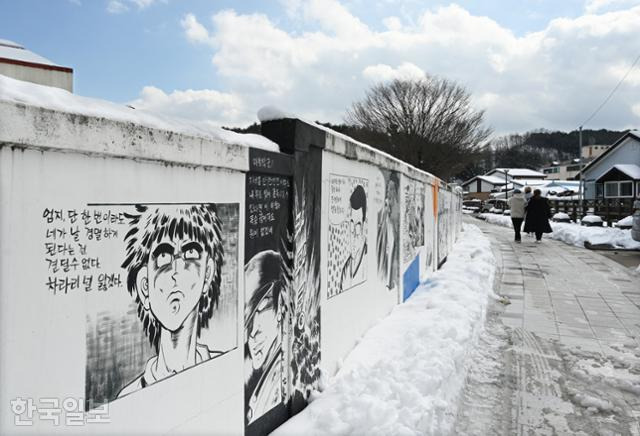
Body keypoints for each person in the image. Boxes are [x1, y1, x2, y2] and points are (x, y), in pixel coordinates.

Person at [118, 204, 225, 397]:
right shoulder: (129, 396)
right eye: (163, 256)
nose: (176, 271)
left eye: (190, 253)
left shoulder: (225, 369)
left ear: (207, 275)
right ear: (144, 286)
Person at [244, 250, 286, 425]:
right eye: (247, 322)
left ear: (281, 303)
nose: (252, 334)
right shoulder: (266, 383)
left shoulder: (277, 379)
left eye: (260, 310)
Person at [340, 184, 368, 291]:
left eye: (358, 226)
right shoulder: (346, 270)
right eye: (351, 225)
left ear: (364, 226)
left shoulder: (368, 262)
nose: (353, 234)